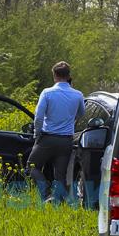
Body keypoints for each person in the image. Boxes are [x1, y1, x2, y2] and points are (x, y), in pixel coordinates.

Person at [27, 61, 85, 203]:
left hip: (47, 138)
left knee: (32, 167)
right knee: (60, 175)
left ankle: (47, 193)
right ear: (68, 76)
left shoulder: (47, 93)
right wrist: (69, 119)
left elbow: (39, 117)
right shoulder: (78, 95)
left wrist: (37, 134)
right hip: (66, 140)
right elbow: (81, 114)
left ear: (54, 76)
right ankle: (59, 201)